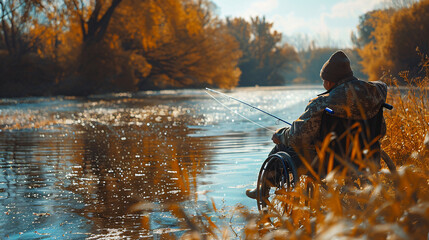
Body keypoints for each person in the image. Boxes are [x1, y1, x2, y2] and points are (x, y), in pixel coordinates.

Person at [246, 50, 388, 199]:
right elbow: (381, 132)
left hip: (330, 165)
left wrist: (281, 135)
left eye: (324, 80)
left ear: (331, 81)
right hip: (368, 158)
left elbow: (298, 137)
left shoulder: (322, 103)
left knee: (282, 147)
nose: (323, 84)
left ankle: (263, 189)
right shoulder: (375, 94)